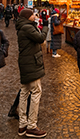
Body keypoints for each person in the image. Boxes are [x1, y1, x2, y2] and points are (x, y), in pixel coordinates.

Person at [16, 8, 49, 138]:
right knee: (36, 91)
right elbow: (40, 38)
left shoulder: (24, 26)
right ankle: (32, 126)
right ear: (27, 17)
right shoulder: (27, 28)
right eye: (32, 15)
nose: (35, 16)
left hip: (26, 62)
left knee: (24, 92)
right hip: (31, 63)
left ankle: (22, 125)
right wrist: (45, 26)